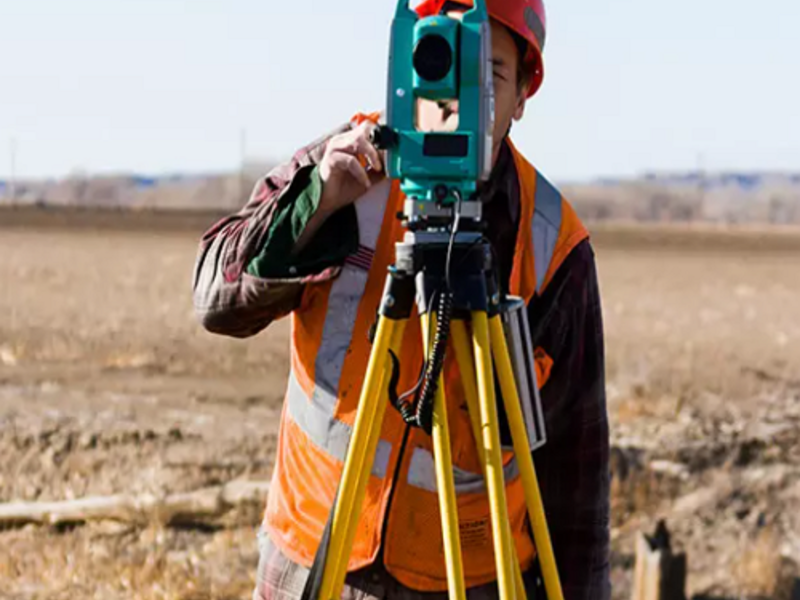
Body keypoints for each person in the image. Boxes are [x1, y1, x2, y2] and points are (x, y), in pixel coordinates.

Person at [192, 1, 610, 598]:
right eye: (442, 62)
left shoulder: (549, 243)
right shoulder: (347, 172)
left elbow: (577, 480)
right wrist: (317, 204)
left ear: (522, 95)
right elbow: (214, 296)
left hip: (468, 581)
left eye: (487, 74)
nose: (460, 97)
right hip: (314, 563)